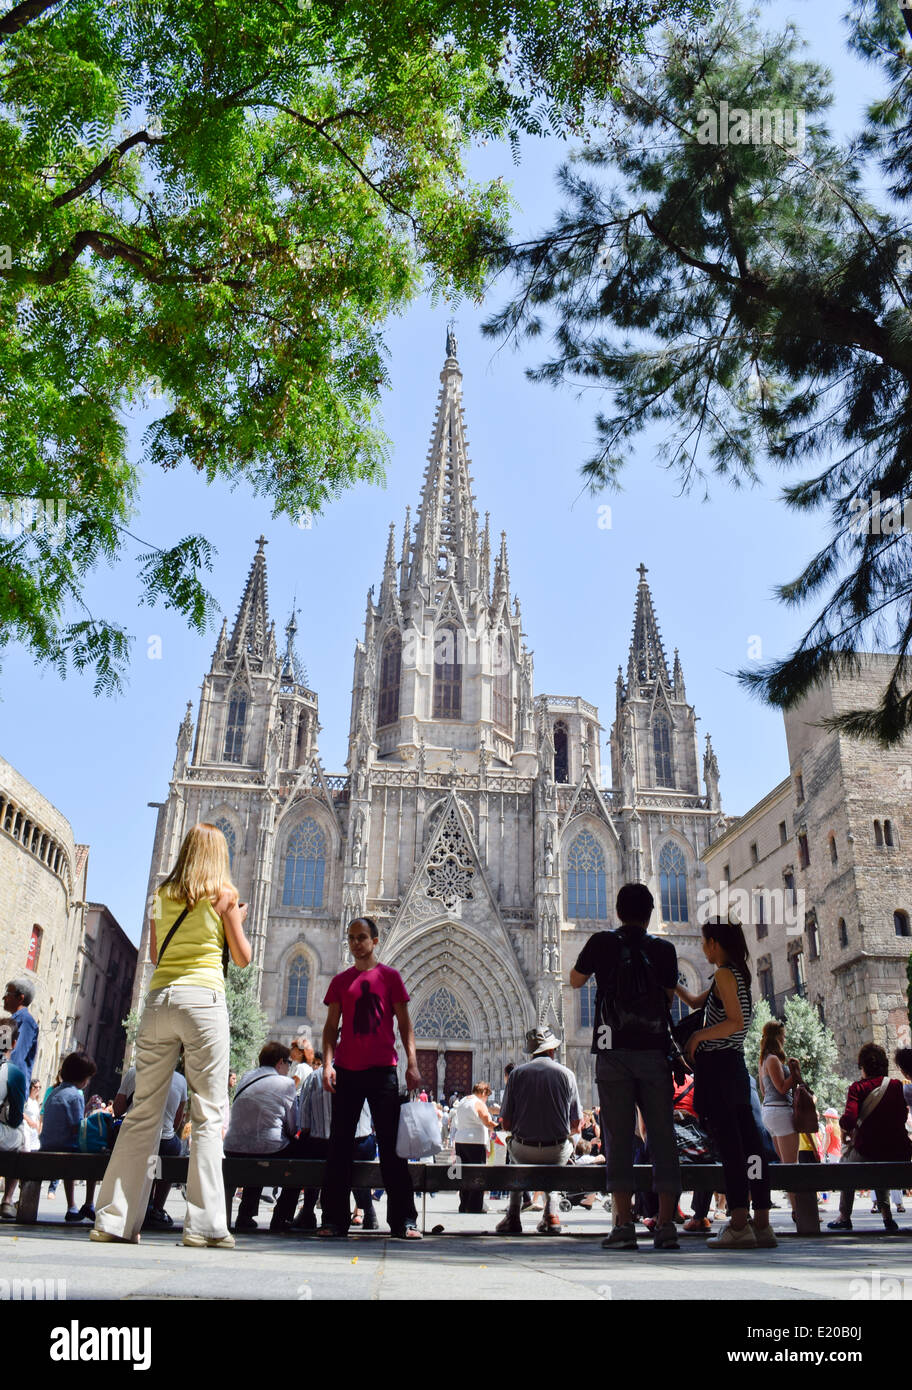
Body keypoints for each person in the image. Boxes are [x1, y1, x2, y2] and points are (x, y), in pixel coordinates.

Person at [91, 821, 252, 1247]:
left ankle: (114, 1220)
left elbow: (158, 953)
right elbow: (242, 957)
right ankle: (204, 1226)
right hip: (202, 1001)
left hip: (160, 1000)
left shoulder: (161, 896)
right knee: (207, 1114)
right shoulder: (225, 896)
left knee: (142, 1112)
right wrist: (235, 920)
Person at [570, 882, 681, 1252]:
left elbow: (575, 980)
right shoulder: (665, 950)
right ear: (650, 913)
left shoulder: (602, 942)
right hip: (653, 1051)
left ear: (617, 911)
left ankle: (623, 1224)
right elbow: (666, 998)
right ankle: (666, 1223)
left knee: (617, 1137)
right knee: (662, 1136)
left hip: (611, 1048)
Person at [675, 916, 776, 1250]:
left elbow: (733, 1022)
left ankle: (737, 1223)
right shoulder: (734, 975)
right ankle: (761, 1222)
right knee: (751, 1146)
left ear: (715, 944)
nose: (702, 948)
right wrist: (672, 983)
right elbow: (693, 1002)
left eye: (705, 942)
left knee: (732, 1149)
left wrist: (697, 1039)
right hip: (732, 1067)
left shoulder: (723, 974)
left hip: (719, 1068)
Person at [320, 917, 422, 1240]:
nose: (356, 944)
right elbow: (329, 1027)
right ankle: (335, 1220)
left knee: (392, 1148)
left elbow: (405, 1024)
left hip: (383, 1070)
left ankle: (403, 1220)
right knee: (339, 1146)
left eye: (362, 937)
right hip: (348, 1069)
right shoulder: (340, 982)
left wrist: (413, 1064)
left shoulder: (390, 977)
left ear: (375, 941)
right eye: (351, 938)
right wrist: (327, 1064)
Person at [495, 1026, 581, 1236]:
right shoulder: (567, 1074)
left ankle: (513, 1215)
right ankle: (551, 1215)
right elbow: (577, 1124)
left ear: (531, 1051)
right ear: (552, 1050)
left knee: (514, 1153)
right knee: (556, 1156)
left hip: (524, 1150)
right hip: (557, 1150)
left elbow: (505, 1123)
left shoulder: (516, 1075)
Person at [828, 1042, 911, 1234]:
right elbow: (901, 1116)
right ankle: (887, 1216)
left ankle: (844, 1216)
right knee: (879, 1162)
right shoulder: (896, 1086)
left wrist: (847, 1127)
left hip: (868, 1149)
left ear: (863, 1067)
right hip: (898, 1152)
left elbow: (848, 1120)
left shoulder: (858, 1088)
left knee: (846, 1165)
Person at [224, 1040, 297, 1232]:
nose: (290, 1068)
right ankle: (282, 1217)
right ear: (280, 1062)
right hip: (266, 1149)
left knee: (257, 1145)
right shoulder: (286, 1084)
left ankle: (246, 1214)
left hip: (233, 1148)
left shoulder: (246, 1077)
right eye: (289, 1063)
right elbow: (292, 1125)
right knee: (299, 1161)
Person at [114, 1060, 187, 1230]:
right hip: (163, 1143)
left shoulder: (134, 1073)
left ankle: (135, 1203)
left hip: (135, 1139)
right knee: (169, 1150)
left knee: (151, 1158)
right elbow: (177, 1121)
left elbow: (118, 1110)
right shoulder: (180, 1080)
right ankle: (157, 1207)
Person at [40, 1050, 98, 1223]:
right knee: (94, 1158)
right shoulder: (76, 1095)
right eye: (88, 1077)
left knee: (73, 1158)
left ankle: (72, 1206)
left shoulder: (54, 1093)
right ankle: (88, 1203)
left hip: (47, 1145)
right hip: (65, 1146)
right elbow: (77, 1127)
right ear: (83, 1077)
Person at [757, 1019, 803, 1221]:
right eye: (783, 1035)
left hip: (770, 1111)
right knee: (792, 1165)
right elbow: (782, 1088)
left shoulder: (763, 1061)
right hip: (779, 1112)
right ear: (776, 1037)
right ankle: (799, 1210)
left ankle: (797, 1207)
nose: (785, 1039)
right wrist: (794, 1072)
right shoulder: (773, 1059)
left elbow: (763, 1089)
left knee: (787, 1164)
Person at [452, 1082, 496, 1215]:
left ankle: (464, 1204)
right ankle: (475, 1205)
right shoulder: (478, 1103)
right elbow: (487, 1122)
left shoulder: (463, 1101)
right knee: (477, 1174)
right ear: (483, 1093)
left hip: (460, 1140)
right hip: (475, 1142)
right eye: (486, 1096)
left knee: (464, 1173)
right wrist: (499, 1126)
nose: (486, 1099)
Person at [2, 979, 39, 1086]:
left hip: (11, 1088)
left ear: (20, 998)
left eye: (8, 994)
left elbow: (15, 1057)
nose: (4, 998)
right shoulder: (10, 1022)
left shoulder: (26, 1022)